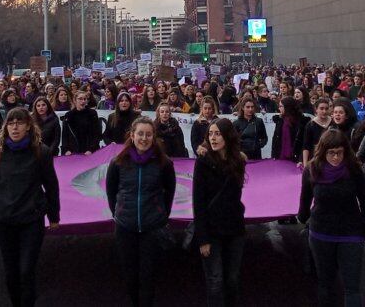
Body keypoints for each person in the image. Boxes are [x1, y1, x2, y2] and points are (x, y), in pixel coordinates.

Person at [0, 107, 60, 307]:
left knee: (26, 270)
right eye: (11, 123)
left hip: (31, 219)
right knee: (11, 272)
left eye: (19, 122)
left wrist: (54, 216)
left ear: (28, 126)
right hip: (5, 220)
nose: (15, 127)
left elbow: (51, 186)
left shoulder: (41, 152)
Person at [297, 130, 365, 307]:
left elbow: (364, 199)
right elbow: (305, 200)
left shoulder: (354, 169)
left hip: (351, 233)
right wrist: (304, 218)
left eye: (340, 152)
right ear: (323, 152)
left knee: (352, 287)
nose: (336, 157)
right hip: (321, 234)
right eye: (331, 153)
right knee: (326, 283)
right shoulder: (312, 169)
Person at [105, 117, 176, 307]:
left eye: (148, 134)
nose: (144, 138)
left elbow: (169, 191)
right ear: (132, 135)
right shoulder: (118, 162)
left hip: (152, 227)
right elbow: (111, 192)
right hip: (125, 227)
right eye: (140, 134)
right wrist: (119, 212)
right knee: (130, 276)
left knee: (148, 276)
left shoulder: (164, 163)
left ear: (153, 137)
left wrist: (161, 214)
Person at [193, 118, 247, 307]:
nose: (213, 138)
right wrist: (203, 238)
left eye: (218, 134)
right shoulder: (203, 162)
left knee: (232, 279)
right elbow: (197, 201)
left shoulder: (238, 161)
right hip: (211, 230)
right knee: (215, 281)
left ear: (227, 136)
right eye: (210, 134)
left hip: (234, 229)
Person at [61, 91, 101, 155]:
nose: (83, 101)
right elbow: (65, 135)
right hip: (73, 152)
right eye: (80, 99)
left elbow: (96, 133)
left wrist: (91, 149)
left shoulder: (92, 114)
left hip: (89, 152)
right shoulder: (68, 115)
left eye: (85, 99)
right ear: (75, 100)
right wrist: (66, 150)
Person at [271, 97, 307, 163]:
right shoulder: (280, 120)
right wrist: (274, 155)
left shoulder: (301, 122)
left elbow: (304, 142)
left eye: (281, 106)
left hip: (296, 158)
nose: (279, 108)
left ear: (288, 107)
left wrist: (301, 159)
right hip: (280, 156)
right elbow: (275, 139)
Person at [300, 97, 332, 167]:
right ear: (316, 109)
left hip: (331, 159)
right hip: (316, 159)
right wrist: (305, 164)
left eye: (326, 109)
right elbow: (306, 146)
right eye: (321, 108)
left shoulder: (333, 123)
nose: (324, 111)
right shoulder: (310, 125)